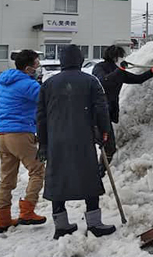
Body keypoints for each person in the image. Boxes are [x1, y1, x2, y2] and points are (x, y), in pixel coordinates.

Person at [36, 45, 117, 239]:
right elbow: (101, 109)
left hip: (56, 141)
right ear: (80, 60)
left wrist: (44, 144)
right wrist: (104, 132)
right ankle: (94, 223)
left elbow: (41, 116)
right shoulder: (90, 81)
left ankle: (61, 225)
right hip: (83, 139)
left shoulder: (48, 84)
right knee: (88, 177)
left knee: (58, 179)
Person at [0, 49, 46, 233]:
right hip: (21, 133)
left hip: (3, 135)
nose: (38, 67)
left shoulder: (3, 82)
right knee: (38, 170)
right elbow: (46, 100)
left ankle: (3, 219)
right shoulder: (27, 84)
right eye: (36, 64)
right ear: (28, 68)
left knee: (7, 179)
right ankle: (27, 211)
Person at [91, 45, 153, 168]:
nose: (122, 58)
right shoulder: (99, 68)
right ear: (114, 56)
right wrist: (120, 69)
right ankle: (96, 172)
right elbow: (104, 81)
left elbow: (138, 79)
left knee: (109, 147)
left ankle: (100, 171)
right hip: (96, 113)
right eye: (120, 56)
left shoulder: (118, 70)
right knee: (100, 145)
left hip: (107, 114)